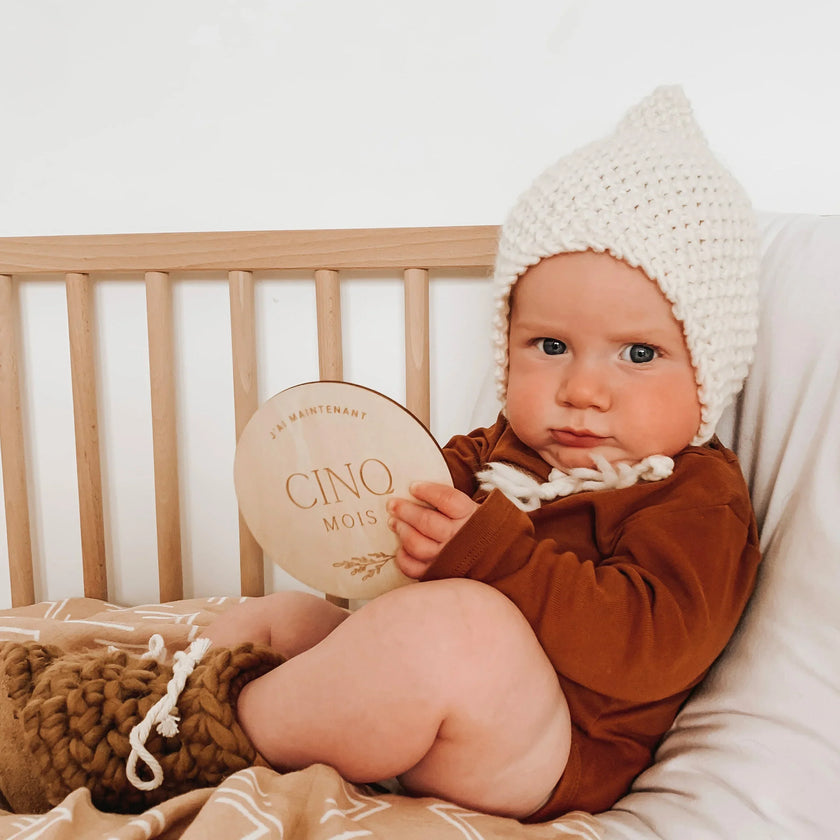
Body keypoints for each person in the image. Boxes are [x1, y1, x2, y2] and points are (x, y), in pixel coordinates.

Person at [0, 85, 762, 822]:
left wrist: (499, 560)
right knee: (287, 618)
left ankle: (171, 743)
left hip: (545, 754)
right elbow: (396, 518)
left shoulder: (692, 496)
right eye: (552, 346)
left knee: (460, 625)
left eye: (637, 353)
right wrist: (373, 496)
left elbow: (651, 650)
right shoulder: (501, 449)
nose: (583, 389)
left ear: (710, 368)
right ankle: (144, 688)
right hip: (431, 705)